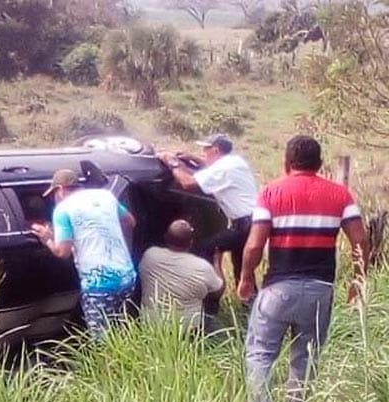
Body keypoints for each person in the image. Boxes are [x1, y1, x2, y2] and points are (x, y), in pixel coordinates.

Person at [238, 135, 368, 402]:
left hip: (278, 289)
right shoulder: (340, 195)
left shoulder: (270, 193)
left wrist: (246, 277)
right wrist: (358, 280)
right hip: (320, 291)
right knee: (305, 359)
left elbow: (255, 244)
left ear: (287, 162)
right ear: (319, 164)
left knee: (261, 354)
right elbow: (360, 239)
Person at [31, 168, 137, 337]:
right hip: (127, 276)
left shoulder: (63, 209)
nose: (54, 198)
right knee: (122, 329)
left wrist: (47, 238)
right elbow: (130, 222)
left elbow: (62, 252)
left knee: (102, 339)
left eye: (54, 194)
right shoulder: (106, 196)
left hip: (99, 284)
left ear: (60, 189)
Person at [157, 134, 259, 307]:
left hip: (245, 223)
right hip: (252, 222)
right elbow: (210, 169)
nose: (203, 152)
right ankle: (251, 305)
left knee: (207, 249)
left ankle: (211, 302)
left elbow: (187, 182)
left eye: (206, 149)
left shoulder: (225, 167)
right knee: (242, 266)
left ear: (216, 150)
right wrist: (193, 158)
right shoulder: (235, 162)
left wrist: (172, 162)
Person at [139, 219, 225, 332]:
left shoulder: (150, 255)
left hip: (151, 325)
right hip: (188, 330)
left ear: (165, 237)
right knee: (217, 324)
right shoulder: (202, 267)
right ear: (191, 242)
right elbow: (218, 291)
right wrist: (217, 261)